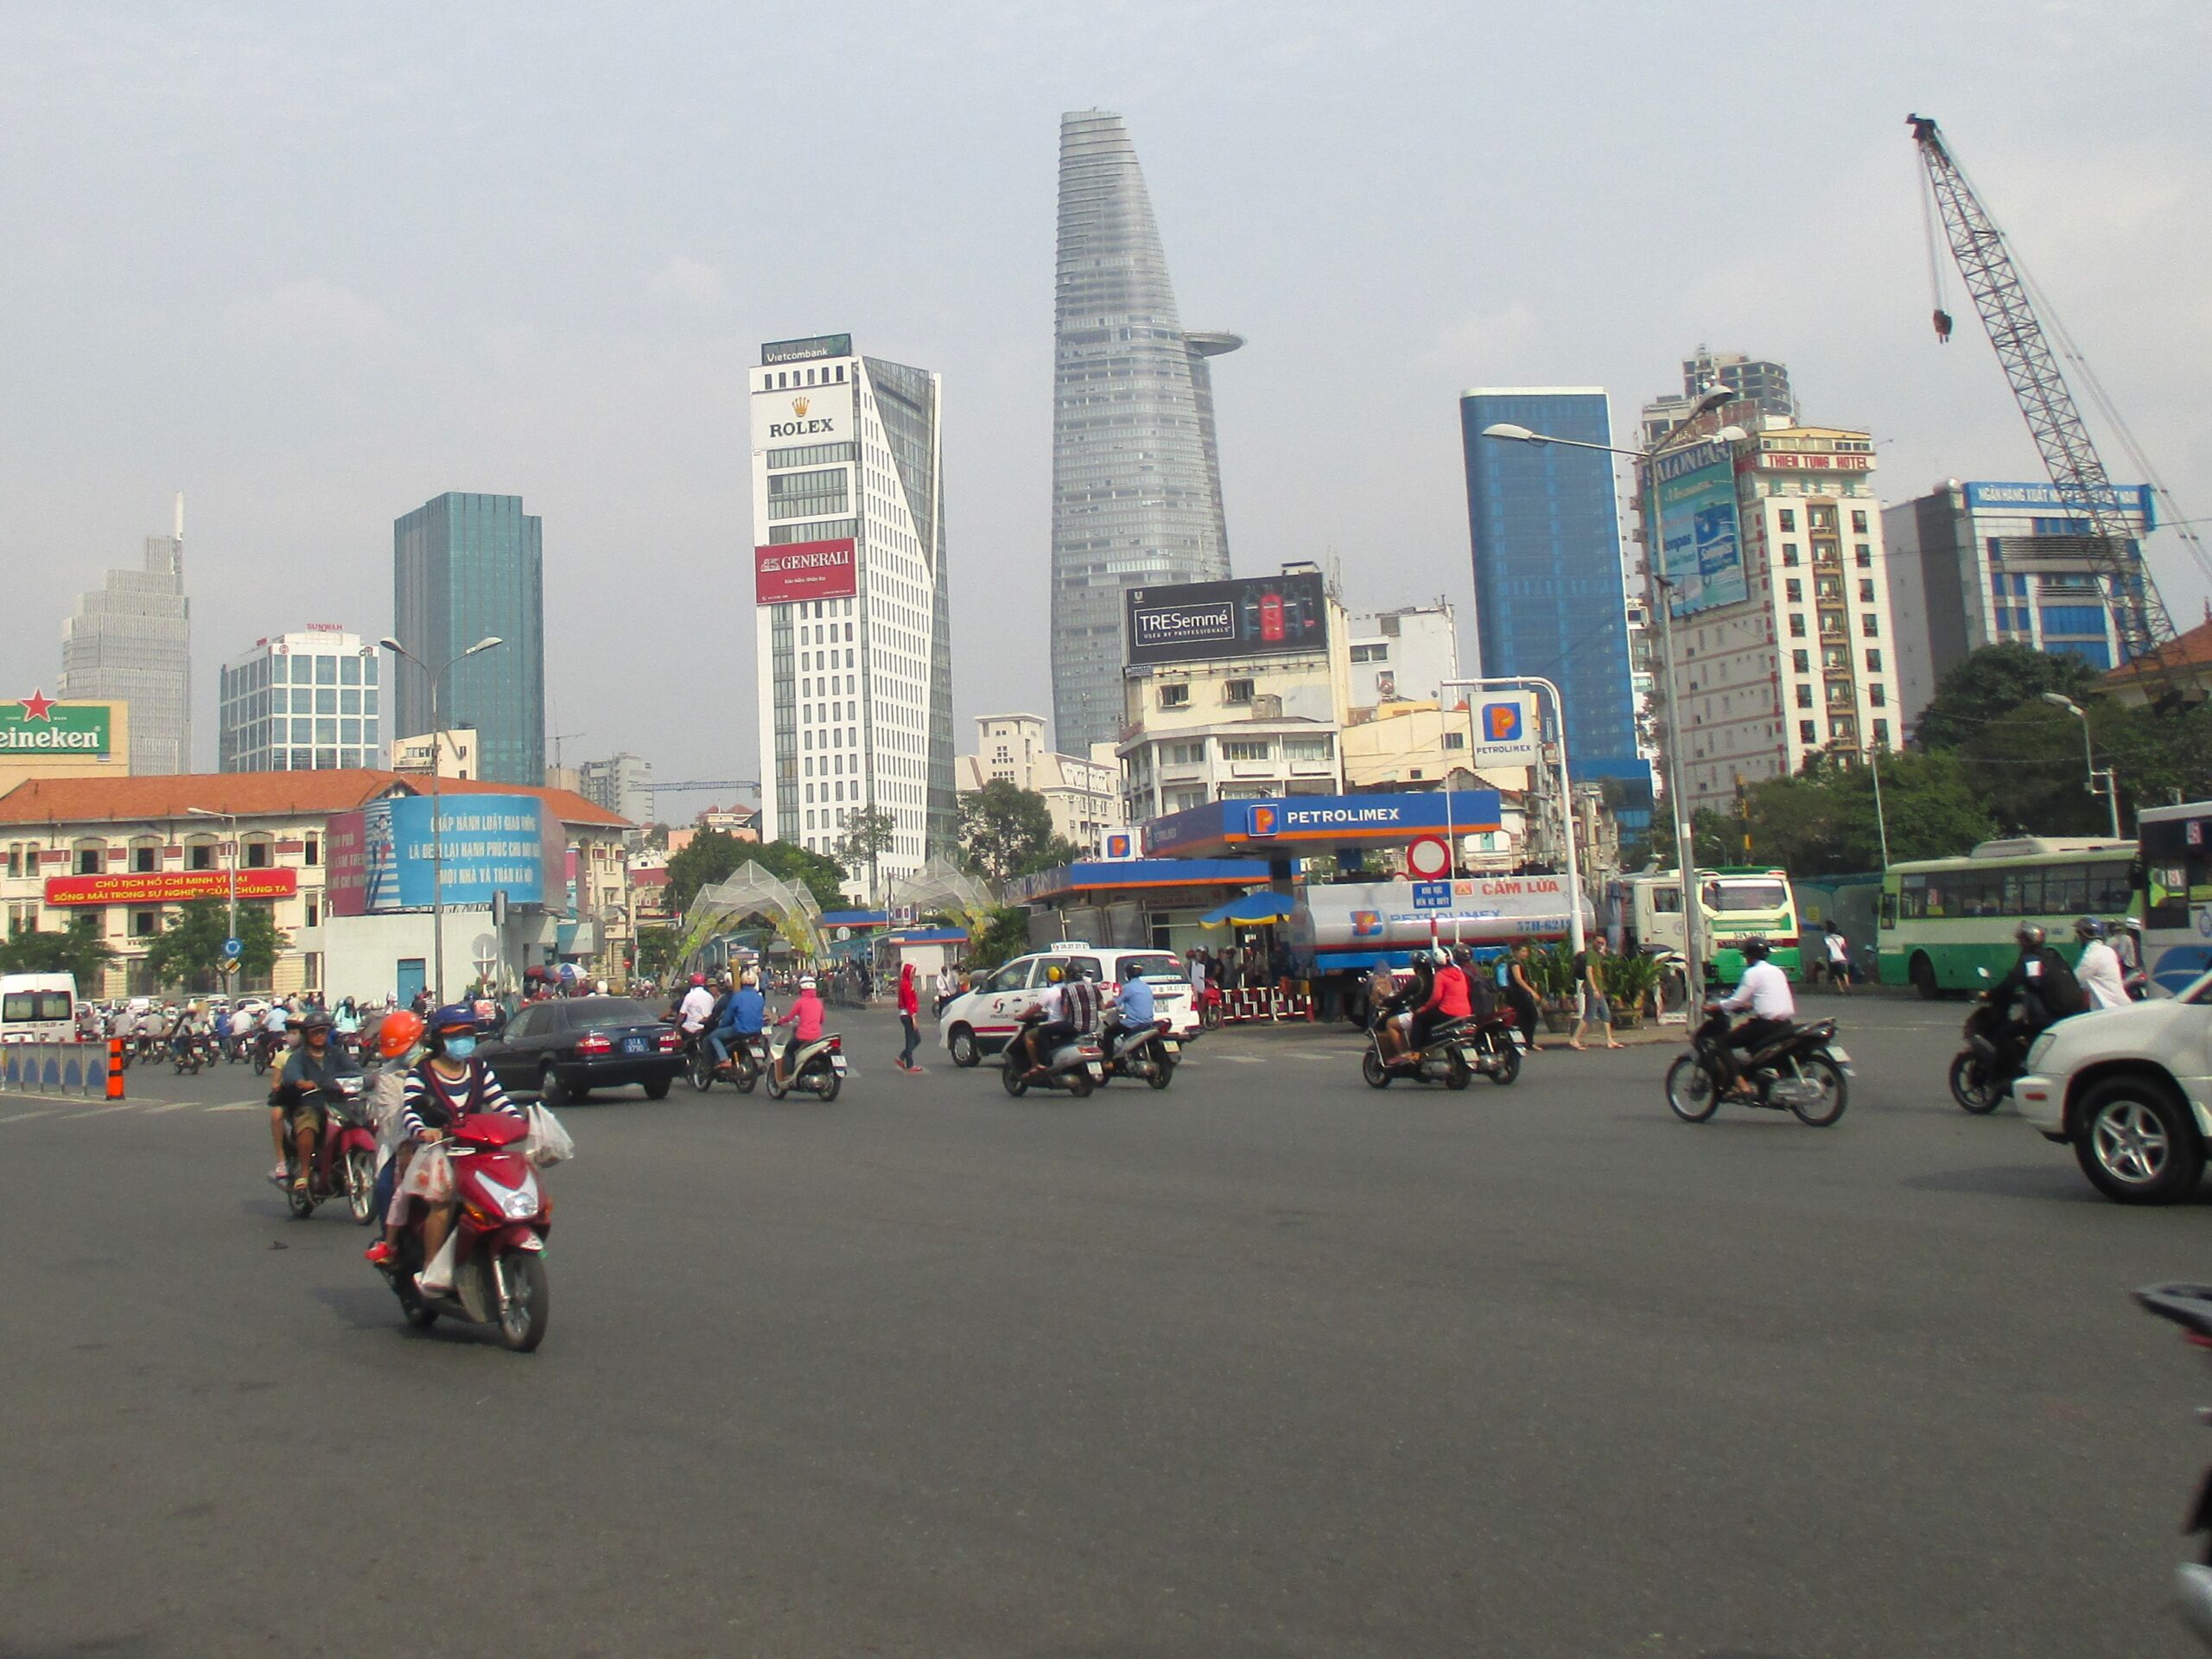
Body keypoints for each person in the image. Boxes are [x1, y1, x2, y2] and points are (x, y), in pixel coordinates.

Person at [389, 1004, 524, 1292]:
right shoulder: (421, 1073)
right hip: (437, 1152)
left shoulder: (479, 1069)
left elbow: (500, 1101)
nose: (464, 1039)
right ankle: (431, 1269)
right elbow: (410, 1111)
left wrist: (521, 1123)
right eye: (457, 1034)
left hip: (476, 1150)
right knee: (443, 1203)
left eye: (468, 1033)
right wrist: (423, 1130)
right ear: (439, 1038)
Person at [268, 1009, 361, 1194]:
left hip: (338, 1104)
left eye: (323, 1032)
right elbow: (291, 1073)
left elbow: (355, 1070)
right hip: (312, 1104)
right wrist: (301, 1082)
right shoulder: (299, 1057)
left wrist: (366, 1079)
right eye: (315, 1032)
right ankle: (304, 1173)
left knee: (362, 1119)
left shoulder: (336, 1054)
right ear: (307, 1035)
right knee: (307, 1123)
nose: (319, 1036)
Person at [361, 1009, 425, 1266]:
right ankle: (392, 1243)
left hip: (449, 1142)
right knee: (387, 1185)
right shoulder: (388, 1076)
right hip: (406, 1144)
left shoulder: (438, 1064)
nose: (405, 1055)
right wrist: (408, 1145)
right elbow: (390, 1121)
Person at [1713, 937, 1796, 1097]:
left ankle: (1740, 1083)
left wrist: (1715, 1006)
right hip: (1786, 1024)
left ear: (1749, 956)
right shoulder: (1777, 971)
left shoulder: (1752, 973)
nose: (1745, 959)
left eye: (1746, 955)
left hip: (1765, 1026)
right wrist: (1751, 1005)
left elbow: (1736, 1001)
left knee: (1722, 1043)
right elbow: (1770, 996)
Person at [1410, 946, 1472, 1052]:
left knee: (1418, 1018)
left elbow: (1436, 998)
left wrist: (1424, 1008)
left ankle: (1415, 1053)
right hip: (1466, 1011)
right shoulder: (1460, 972)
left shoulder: (1440, 975)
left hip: (1448, 1012)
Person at [1569, 937, 1623, 1051]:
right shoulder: (1591, 955)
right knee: (1589, 1014)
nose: (1600, 945)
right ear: (1593, 942)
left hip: (1598, 988)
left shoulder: (1597, 955)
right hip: (1594, 989)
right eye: (1598, 942)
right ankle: (1574, 1039)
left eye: (1603, 943)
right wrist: (1594, 989)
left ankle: (1609, 1040)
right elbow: (1589, 971)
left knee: (1605, 1013)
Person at [772, 976, 826, 1086]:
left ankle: (788, 1075)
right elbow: (822, 1019)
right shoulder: (818, 1002)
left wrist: (780, 1021)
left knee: (788, 1051)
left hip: (802, 1036)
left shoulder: (800, 1002)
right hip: (816, 1037)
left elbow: (789, 1017)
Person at [711, 969, 766, 1073]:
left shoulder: (737, 997)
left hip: (739, 1030)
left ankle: (725, 1060)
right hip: (756, 1031)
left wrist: (722, 1025)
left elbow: (728, 1016)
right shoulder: (760, 998)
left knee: (714, 1036)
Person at [2071, 915, 2128, 1012]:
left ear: (2085, 934)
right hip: (2118, 1006)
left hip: (2106, 1008)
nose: (2078, 938)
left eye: (2079, 933)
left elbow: (2075, 981)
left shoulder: (2092, 956)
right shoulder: (2108, 951)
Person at [1504, 942, 1542, 1054]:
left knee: (1528, 1017)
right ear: (1516, 952)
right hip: (1518, 994)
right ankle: (1524, 1042)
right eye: (1523, 951)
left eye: (1526, 951)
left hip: (1521, 993)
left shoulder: (1520, 963)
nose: (1526, 954)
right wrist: (1532, 992)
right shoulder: (1514, 963)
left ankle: (1527, 1042)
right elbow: (1518, 979)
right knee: (1528, 1017)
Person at [895, 962, 922, 1071]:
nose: (914, 975)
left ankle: (902, 1057)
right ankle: (909, 1063)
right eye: (912, 972)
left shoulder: (906, 983)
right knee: (913, 1039)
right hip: (907, 1015)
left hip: (906, 1014)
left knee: (913, 1039)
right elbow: (909, 1002)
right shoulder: (906, 985)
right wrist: (913, 1018)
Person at [677, 973, 715, 1039]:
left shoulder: (690, 996)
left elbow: (682, 1014)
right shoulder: (710, 997)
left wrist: (676, 1025)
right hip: (706, 1028)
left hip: (690, 1028)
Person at [1821, 924, 1853, 994]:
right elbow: (1844, 947)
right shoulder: (1841, 938)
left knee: (1836, 975)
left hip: (1833, 958)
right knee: (1844, 973)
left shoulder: (1827, 938)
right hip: (1841, 957)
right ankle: (1847, 984)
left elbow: (1828, 947)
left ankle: (1841, 989)